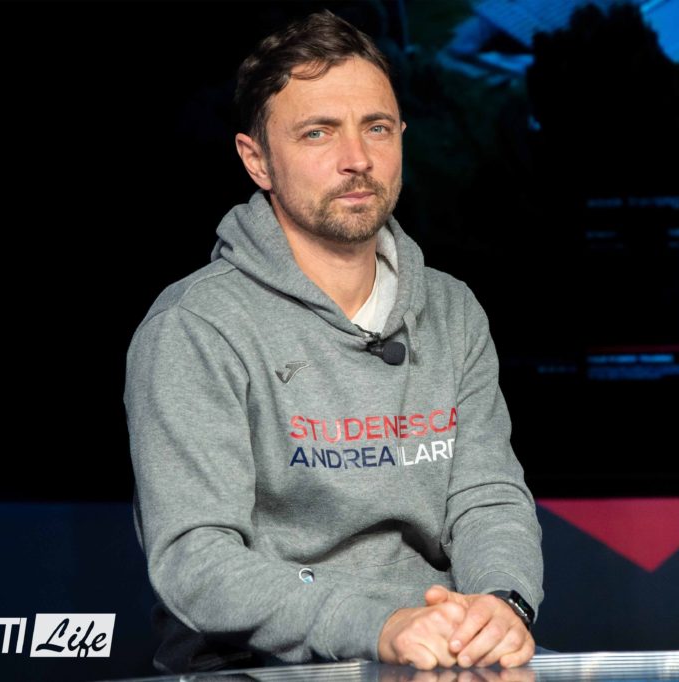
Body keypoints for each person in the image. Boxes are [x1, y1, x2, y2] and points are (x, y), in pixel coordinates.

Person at [124, 9, 543, 674]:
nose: (358, 160)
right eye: (318, 132)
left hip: (438, 652)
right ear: (257, 160)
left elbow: (487, 499)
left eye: (377, 127)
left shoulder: (453, 308)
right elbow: (196, 561)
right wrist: (377, 625)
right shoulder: (193, 327)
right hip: (258, 667)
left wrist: (501, 605)